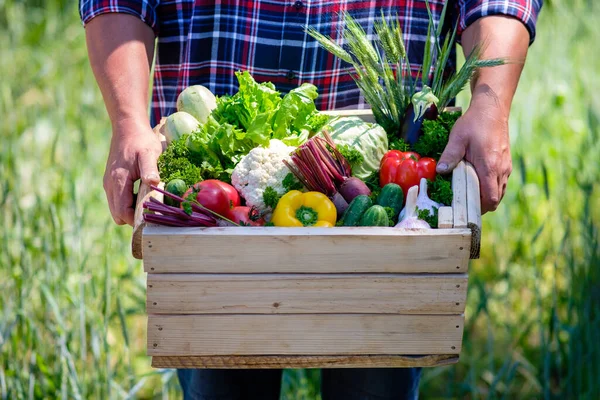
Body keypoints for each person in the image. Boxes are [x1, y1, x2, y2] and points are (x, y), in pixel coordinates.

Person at [80, 1, 541, 399]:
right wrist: (127, 122)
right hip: (211, 231)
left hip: (398, 152)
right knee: (217, 379)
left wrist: (490, 104)